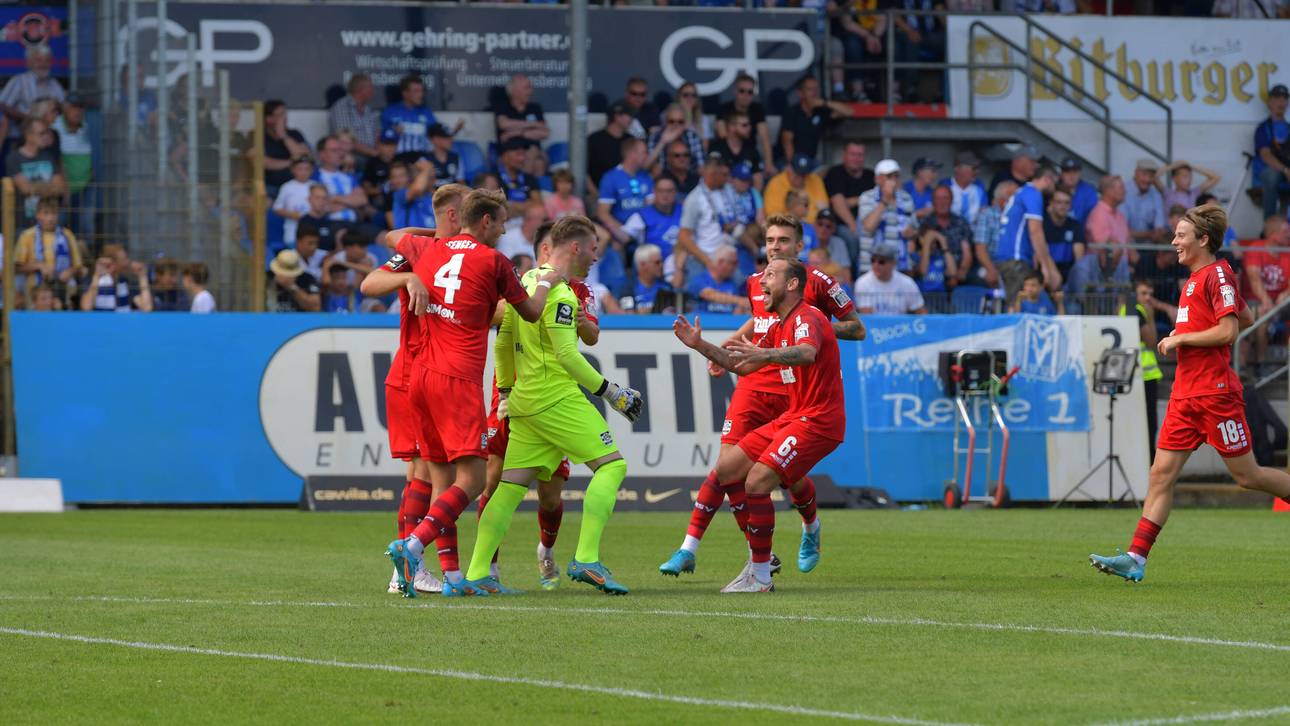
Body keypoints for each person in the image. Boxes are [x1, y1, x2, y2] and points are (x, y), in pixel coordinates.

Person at [1089, 203, 1290, 583]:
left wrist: (1181, 338)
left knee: (1248, 477)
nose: (1174, 241)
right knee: (1160, 474)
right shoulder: (1198, 279)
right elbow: (1243, 318)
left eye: (1181, 235)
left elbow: (1229, 332)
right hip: (1185, 396)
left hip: (1215, 395)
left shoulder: (1217, 275)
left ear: (1202, 239)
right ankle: (1136, 557)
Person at [659, 216, 862, 584]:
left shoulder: (809, 314)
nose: (763, 277)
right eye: (768, 241)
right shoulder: (777, 320)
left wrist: (771, 352)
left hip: (815, 417)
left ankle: (761, 571)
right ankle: (714, 556)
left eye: (781, 243)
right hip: (793, 411)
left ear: (793, 278)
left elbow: (806, 352)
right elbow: (744, 362)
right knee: (727, 470)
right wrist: (700, 345)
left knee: (758, 481)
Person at [384, 190, 566, 598]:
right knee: (472, 480)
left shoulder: (425, 247)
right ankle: (411, 547)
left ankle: (450, 578)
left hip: (421, 378)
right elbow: (532, 313)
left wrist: (422, 256)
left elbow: (392, 235)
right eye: (501, 223)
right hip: (458, 379)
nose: (503, 230)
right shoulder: (493, 261)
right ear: (484, 221)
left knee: (440, 480)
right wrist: (547, 283)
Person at [461, 215, 642, 596]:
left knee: (508, 489)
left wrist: (508, 391)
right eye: (593, 248)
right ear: (574, 246)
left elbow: (503, 338)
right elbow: (569, 357)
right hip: (555, 398)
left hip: (525, 402)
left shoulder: (525, 280)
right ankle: (587, 559)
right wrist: (614, 393)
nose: (596, 256)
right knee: (612, 466)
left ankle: (477, 572)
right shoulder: (560, 293)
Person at [475, 221, 603, 591]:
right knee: (493, 481)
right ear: (545, 250)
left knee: (550, 494)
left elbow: (591, 338)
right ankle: (490, 567)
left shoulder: (580, 290)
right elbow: (494, 321)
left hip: (553, 398)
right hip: (513, 395)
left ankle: (546, 551)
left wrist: (582, 324)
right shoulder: (521, 282)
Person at [361, 191, 465, 594]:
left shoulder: (442, 250)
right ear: (455, 215)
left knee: (423, 474)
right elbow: (370, 283)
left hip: (425, 373)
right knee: (432, 473)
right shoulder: (421, 253)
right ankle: (414, 566)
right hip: (416, 373)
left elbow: (396, 233)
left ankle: (411, 571)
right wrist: (408, 275)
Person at [993, 165, 1061, 300]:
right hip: (1016, 260)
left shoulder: (1022, 192)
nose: (1055, 188)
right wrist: (1045, 266)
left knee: (1016, 303)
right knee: (1019, 305)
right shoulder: (1033, 194)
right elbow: (1035, 231)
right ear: (1047, 179)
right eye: (1055, 183)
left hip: (1007, 258)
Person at [675, 153, 738, 287]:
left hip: (729, 256)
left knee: (744, 285)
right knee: (699, 291)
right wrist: (709, 262)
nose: (727, 179)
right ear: (713, 175)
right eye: (724, 175)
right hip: (704, 259)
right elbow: (684, 236)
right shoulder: (694, 198)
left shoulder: (728, 191)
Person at [1120, 279, 1166, 458]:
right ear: (1134, 295)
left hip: (1135, 374)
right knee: (1149, 424)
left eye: (1150, 294)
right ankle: (1148, 464)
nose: (1148, 298)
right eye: (1144, 293)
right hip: (1143, 375)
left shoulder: (1127, 310)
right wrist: (1152, 317)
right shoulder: (1138, 312)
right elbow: (1151, 340)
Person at [14, 196, 82, 304]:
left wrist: (69, 271)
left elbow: (78, 267)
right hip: (34, 290)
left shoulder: (67, 235)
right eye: (46, 213)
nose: (50, 218)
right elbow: (16, 268)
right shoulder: (27, 236)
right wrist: (39, 266)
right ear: (38, 215)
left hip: (62, 288)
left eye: (53, 214)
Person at [1242, 216, 1290, 367]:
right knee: (1261, 314)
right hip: (1256, 300)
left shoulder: (1287, 252)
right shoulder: (1256, 249)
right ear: (1273, 234)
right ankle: (1261, 362)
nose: (1289, 234)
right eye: (1286, 231)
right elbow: (1254, 278)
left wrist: (1285, 294)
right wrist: (1266, 300)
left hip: (1282, 302)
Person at [857, 159, 917, 276]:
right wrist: (885, 200)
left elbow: (915, 228)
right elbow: (869, 226)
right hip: (873, 265)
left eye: (896, 176)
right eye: (889, 176)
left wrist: (912, 233)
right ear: (878, 179)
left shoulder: (906, 198)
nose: (894, 180)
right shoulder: (867, 197)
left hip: (901, 264)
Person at [0, 44, 64, 147]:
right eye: (39, 60)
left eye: (46, 60)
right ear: (29, 63)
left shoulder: (54, 85)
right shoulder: (19, 81)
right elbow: (3, 105)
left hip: (46, 140)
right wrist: (26, 118)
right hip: (19, 138)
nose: (43, 64)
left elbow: (62, 107)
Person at [779, 76, 854, 164]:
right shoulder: (792, 112)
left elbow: (849, 112)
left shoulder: (820, 112)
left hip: (811, 161)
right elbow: (787, 141)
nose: (814, 93)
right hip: (789, 161)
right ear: (800, 93)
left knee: (826, 173)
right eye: (810, 89)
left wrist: (824, 103)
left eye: (816, 89)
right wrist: (792, 165)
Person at [6, 117, 64, 227]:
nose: (46, 136)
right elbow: (25, 189)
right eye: (42, 133)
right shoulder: (14, 158)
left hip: (48, 222)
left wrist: (34, 187)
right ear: (29, 135)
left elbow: (60, 187)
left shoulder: (49, 156)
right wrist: (49, 187)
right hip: (23, 222)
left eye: (47, 133)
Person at [715, 74, 776, 177]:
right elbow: (723, 136)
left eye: (750, 92)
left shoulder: (757, 109)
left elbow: (765, 138)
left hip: (750, 155)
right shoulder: (723, 109)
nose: (746, 95)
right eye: (742, 91)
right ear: (735, 91)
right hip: (727, 156)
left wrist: (769, 164)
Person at [597, 137, 653, 248]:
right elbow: (602, 213)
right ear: (632, 154)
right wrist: (621, 230)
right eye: (644, 152)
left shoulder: (646, 177)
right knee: (617, 245)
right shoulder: (611, 177)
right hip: (620, 232)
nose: (647, 156)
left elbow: (652, 206)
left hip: (644, 230)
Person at [917, 185, 972, 293]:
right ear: (933, 202)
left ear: (951, 201)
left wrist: (960, 272)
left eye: (945, 198)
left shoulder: (961, 222)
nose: (942, 202)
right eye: (938, 198)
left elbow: (967, 254)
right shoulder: (925, 222)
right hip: (931, 271)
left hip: (956, 270)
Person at [621, 175, 682, 272]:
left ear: (675, 192)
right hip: (652, 269)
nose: (665, 195)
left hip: (680, 265)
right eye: (661, 191)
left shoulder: (685, 212)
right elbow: (623, 238)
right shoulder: (641, 216)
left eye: (669, 191)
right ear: (654, 192)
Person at [382, 74, 453, 156]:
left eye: (421, 91)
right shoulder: (390, 111)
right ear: (405, 93)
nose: (420, 95)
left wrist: (454, 131)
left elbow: (437, 136)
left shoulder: (426, 112)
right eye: (416, 91)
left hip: (423, 159)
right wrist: (393, 131)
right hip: (398, 159)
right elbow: (381, 138)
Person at [825, 142, 875, 246]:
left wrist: (851, 201)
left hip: (870, 222)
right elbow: (838, 204)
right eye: (853, 154)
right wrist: (853, 226)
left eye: (860, 155)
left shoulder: (871, 176)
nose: (856, 158)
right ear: (844, 155)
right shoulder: (835, 173)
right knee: (852, 239)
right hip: (842, 224)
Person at [855, 242, 927, 314]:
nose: (875, 265)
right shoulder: (863, 282)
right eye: (873, 260)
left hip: (901, 325)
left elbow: (921, 313)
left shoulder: (907, 283)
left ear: (893, 263)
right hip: (873, 325)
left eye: (881, 262)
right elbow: (867, 317)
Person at [1253, 83, 1290, 220]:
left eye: (1284, 98)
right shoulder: (1263, 128)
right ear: (1269, 102)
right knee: (1271, 176)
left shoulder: (1288, 127)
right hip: (1271, 172)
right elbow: (1266, 155)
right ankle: (1269, 224)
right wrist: (1286, 170)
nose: (1281, 101)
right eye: (1277, 98)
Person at [969, 180, 1015, 289]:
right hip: (991, 264)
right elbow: (980, 250)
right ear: (1004, 200)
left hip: (1015, 265)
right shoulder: (987, 214)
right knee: (987, 276)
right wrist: (992, 270)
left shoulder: (1021, 216)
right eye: (1015, 197)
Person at [80, 245, 153, 313]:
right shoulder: (94, 281)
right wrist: (97, 276)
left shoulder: (125, 283)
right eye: (124, 260)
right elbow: (86, 307)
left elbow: (146, 308)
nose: (128, 263)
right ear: (112, 263)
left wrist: (142, 277)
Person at [314, 135, 366, 223]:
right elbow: (320, 207)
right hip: (329, 224)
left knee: (385, 235)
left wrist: (335, 198)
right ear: (322, 154)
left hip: (354, 223)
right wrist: (350, 203)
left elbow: (362, 200)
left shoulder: (349, 176)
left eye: (340, 150)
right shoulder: (315, 177)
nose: (339, 154)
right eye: (334, 150)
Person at [262, 100, 310, 195]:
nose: (285, 118)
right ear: (269, 119)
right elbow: (264, 163)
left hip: (296, 184)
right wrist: (292, 162)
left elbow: (304, 157)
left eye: (285, 114)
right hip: (270, 186)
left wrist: (284, 136)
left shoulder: (295, 134)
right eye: (280, 115)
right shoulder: (259, 136)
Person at [327, 73, 380, 158]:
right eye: (370, 88)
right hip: (351, 155)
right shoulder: (341, 107)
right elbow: (345, 139)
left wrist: (380, 153)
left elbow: (377, 133)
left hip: (372, 155)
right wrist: (374, 153)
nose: (373, 91)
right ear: (360, 89)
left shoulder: (369, 109)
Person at [764, 153, 829, 222]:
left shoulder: (815, 180)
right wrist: (803, 217)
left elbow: (824, 210)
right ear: (788, 168)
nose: (801, 178)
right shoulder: (776, 183)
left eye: (804, 174)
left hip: (814, 229)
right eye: (797, 174)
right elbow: (774, 216)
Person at [494, 74, 549, 151]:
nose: (530, 91)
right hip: (511, 151)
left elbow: (544, 132)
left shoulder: (535, 108)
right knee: (530, 157)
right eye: (526, 88)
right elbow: (504, 124)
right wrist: (534, 124)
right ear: (514, 91)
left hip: (533, 150)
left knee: (534, 153)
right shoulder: (503, 107)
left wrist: (515, 133)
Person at [708, 111, 763, 189]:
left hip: (745, 196)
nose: (749, 128)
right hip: (720, 194)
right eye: (744, 125)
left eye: (749, 125)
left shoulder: (752, 150)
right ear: (732, 127)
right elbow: (712, 175)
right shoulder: (717, 147)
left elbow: (758, 182)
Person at [686, 245, 747, 314]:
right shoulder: (700, 279)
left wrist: (742, 307)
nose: (736, 267)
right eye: (733, 263)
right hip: (703, 323)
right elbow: (708, 295)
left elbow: (737, 311)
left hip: (728, 323)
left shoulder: (732, 284)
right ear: (720, 262)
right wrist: (740, 300)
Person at [1043, 187, 1086, 282]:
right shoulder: (1042, 225)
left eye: (1067, 203)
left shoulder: (1075, 226)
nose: (1063, 206)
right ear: (1051, 203)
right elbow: (1043, 257)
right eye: (1059, 202)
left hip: (1069, 277)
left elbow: (1079, 259)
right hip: (1046, 275)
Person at [647, 104, 703, 175]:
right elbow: (645, 166)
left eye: (680, 122)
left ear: (685, 124)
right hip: (663, 180)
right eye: (671, 121)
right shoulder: (656, 136)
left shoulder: (692, 136)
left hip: (688, 179)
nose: (676, 125)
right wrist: (662, 142)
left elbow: (701, 167)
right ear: (665, 122)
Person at [587, 102, 632, 189]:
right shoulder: (594, 140)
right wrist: (596, 195)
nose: (631, 119)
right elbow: (584, 172)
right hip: (598, 193)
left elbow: (640, 168)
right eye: (628, 115)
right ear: (617, 117)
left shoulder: (631, 140)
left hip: (627, 195)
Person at [1125, 158, 1169, 244]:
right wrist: (1149, 234)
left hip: (1150, 246)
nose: (1147, 180)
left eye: (1151, 176)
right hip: (1127, 246)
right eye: (1144, 175)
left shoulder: (1156, 194)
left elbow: (1159, 225)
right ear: (1136, 173)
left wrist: (1158, 231)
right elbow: (1121, 228)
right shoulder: (1123, 191)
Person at [273, 156, 315, 245]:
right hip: (292, 231)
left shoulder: (316, 186)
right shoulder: (287, 187)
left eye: (307, 169)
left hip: (313, 230)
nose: (303, 172)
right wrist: (292, 215)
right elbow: (277, 208)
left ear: (312, 170)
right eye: (300, 169)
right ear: (293, 170)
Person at [943, 151, 987, 224]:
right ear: (958, 169)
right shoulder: (945, 185)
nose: (977, 171)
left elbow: (984, 213)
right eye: (973, 168)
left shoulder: (979, 186)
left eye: (977, 168)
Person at [496, 138, 541, 209]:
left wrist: (512, 205)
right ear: (505, 157)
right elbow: (496, 207)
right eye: (518, 154)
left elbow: (538, 204)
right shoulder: (494, 178)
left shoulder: (529, 178)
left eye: (523, 154)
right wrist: (527, 204)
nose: (522, 159)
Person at [629, 243, 672, 313]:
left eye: (661, 261)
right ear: (643, 265)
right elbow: (626, 316)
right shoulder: (628, 289)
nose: (661, 265)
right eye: (657, 262)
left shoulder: (667, 288)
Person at [1058, 157, 1099, 225]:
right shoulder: (1054, 189)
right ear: (1061, 174)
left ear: (1080, 174)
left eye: (1075, 172)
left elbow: (1094, 219)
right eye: (1067, 172)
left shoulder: (1089, 192)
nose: (1071, 175)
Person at [427, 123, 464, 189]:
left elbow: (461, 183)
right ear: (435, 140)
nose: (451, 140)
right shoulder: (425, 160)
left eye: (451, 137)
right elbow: (425, 189)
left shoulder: (456, 158)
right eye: (446, 138)